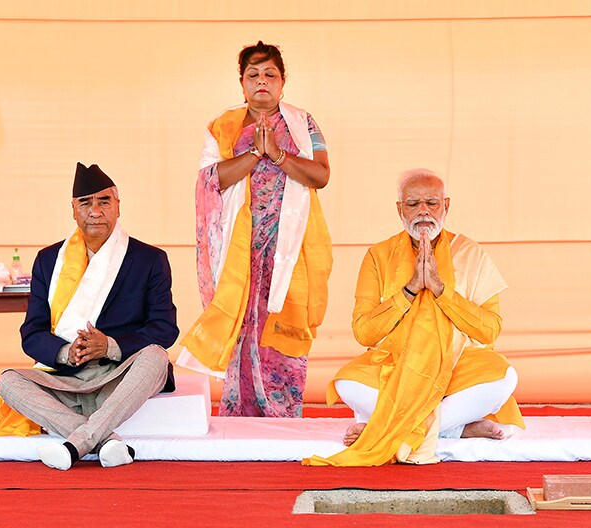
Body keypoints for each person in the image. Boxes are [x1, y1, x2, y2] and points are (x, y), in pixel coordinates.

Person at [304, 169, 524, 467]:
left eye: (432, 203)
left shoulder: (471, 254)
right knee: (347, 383)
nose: (423, 211)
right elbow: (363, 332)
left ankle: (386, 427)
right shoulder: (378, 256)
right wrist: (408, 291)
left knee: (504, 377)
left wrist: (440, 290)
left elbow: (490, 331)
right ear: (399, 209)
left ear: (446, 206)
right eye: (413, 204)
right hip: (395, 366)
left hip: (457, 365)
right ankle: (456, 429)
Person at [177, 41, 333, 418]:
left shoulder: (303, 122)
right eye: (253, 75)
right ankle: (241, 414)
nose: (261, 81)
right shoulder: (222, 127)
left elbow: (321, 175)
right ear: (241, 82)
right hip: (239, 247)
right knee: (242, 322)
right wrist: (254, 154)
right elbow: (209, 180)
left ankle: (284, 414)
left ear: (283, 82)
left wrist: (278, 153)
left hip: (290, 245)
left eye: (270, 74)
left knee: (282, 319)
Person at [0, 162, 179, 470]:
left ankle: (75, 444)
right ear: (73, 210)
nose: (95, 210)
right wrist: (68, 352)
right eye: (86, 202)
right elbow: (32, 333)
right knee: (9, 381)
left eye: (104, 201)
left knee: (157, 358)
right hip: (66, 378)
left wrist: (109, 346)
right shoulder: (49, 260)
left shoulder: (149, 259)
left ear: (118, 207)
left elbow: (164, 328)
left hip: (119, 376)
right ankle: (105, 441)